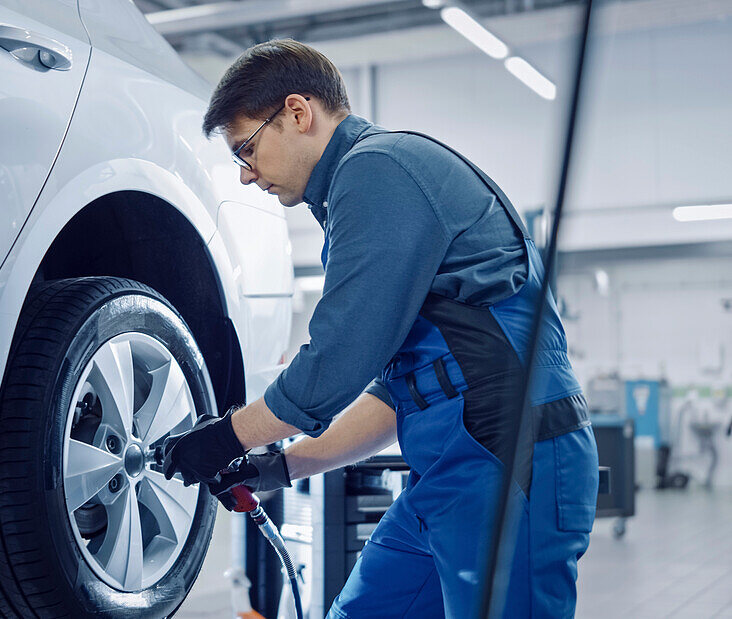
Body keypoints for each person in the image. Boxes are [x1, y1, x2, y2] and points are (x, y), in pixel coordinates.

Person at [160, 39, 599, 618]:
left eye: (247, 149)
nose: (246, 176)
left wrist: (224, 437)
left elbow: (335, 363)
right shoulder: (362, 189)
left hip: (508, 456)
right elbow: (405, 392)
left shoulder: (377, 169)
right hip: (450, 466)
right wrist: (283, 463)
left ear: (298, 112)